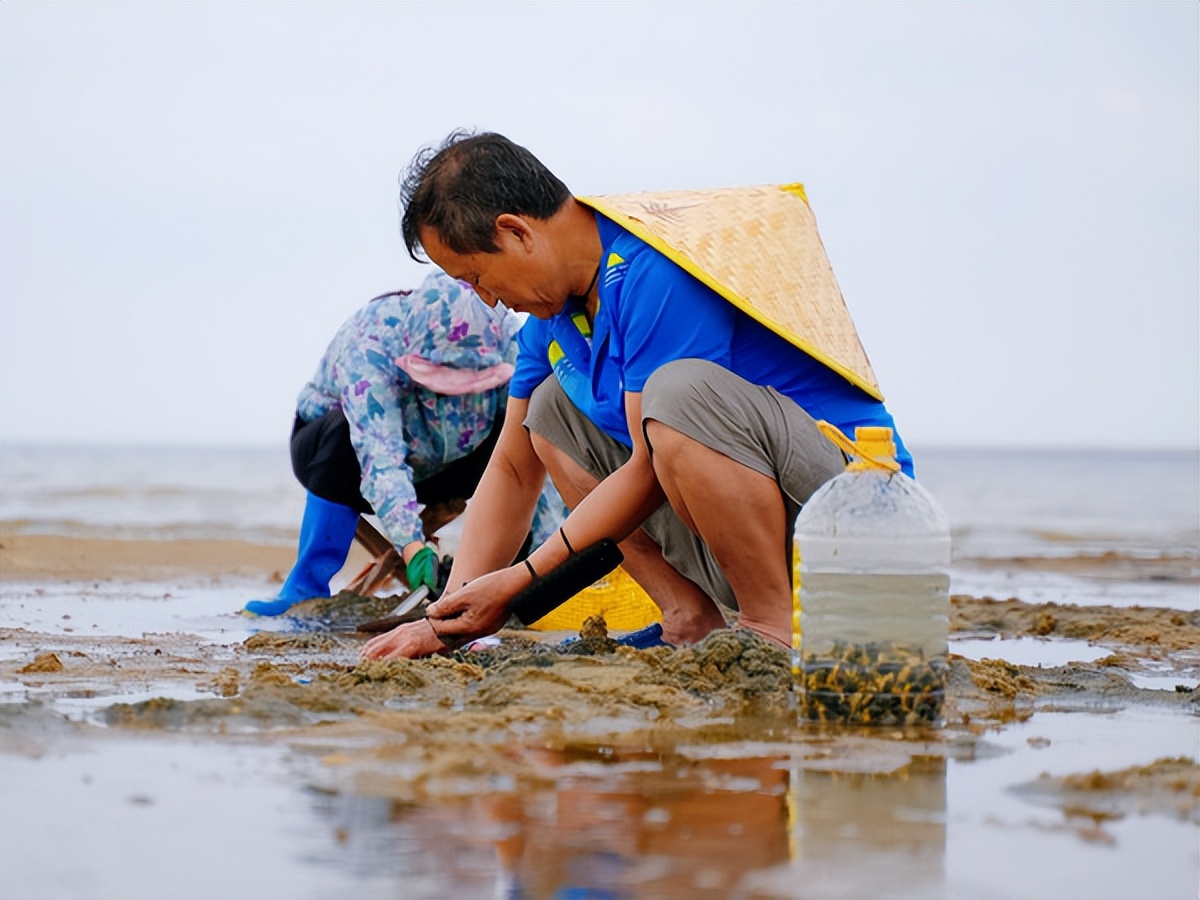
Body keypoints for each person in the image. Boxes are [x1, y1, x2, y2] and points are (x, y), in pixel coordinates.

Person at [361, 131, 912, 659]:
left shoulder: (654, 268)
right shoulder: (551, 325)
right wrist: (445, 620)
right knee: (551, 412)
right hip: (765, 529)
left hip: (852, 521)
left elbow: (650, 464)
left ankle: (771, 625)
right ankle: (687, 618)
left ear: (516, 231)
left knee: (676, 395)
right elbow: (511, 468)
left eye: (478, 277)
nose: (487, 300)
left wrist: (521, 579)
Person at [245, 269, 564, 616]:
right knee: (341, 432)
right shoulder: (370, 341)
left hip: (454, 459)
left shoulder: (510, 341)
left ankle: (517, 584)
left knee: (525, 419)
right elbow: (380, 457)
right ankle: (304, 586)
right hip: (345, 461)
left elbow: (535, 448)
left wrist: (552, 560)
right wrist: (414, 548)